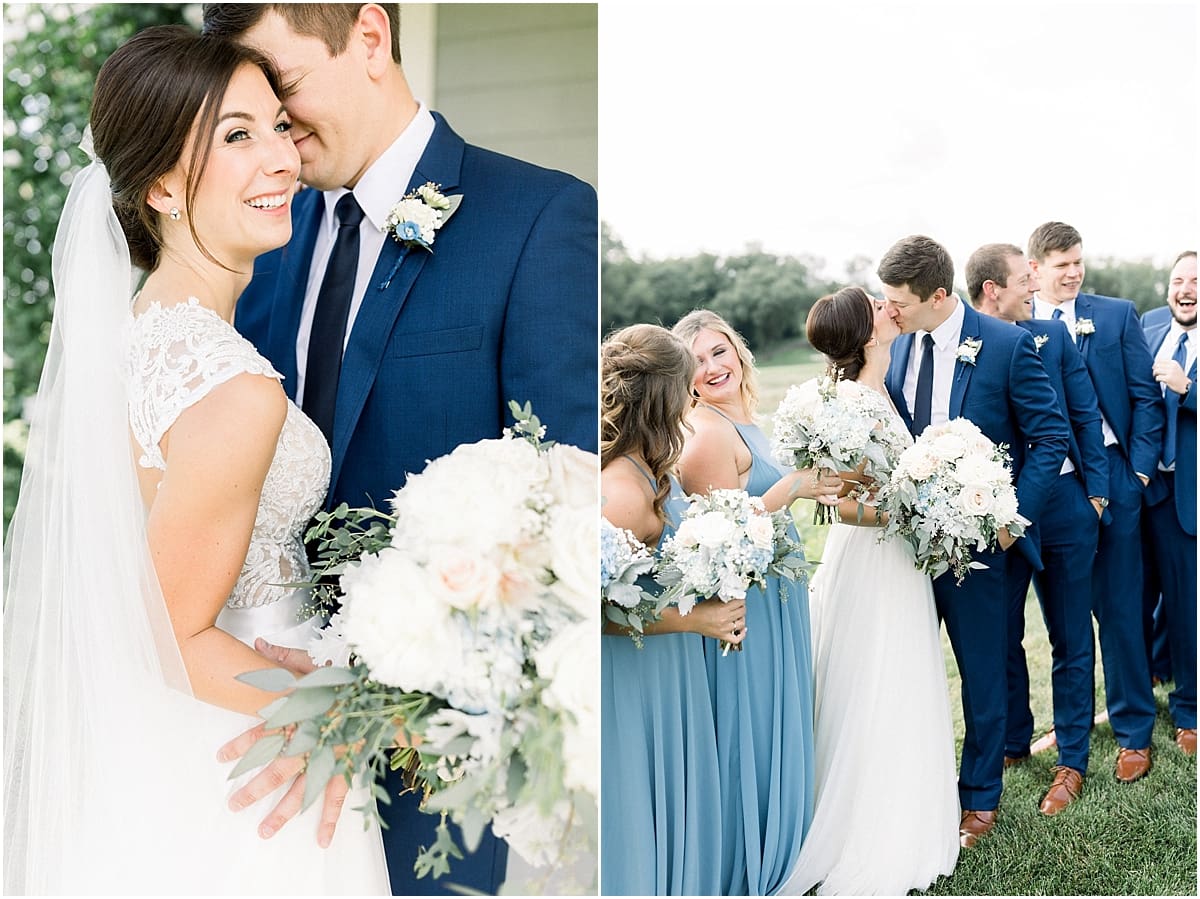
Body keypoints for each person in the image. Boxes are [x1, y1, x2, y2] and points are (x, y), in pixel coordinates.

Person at [199, 5, 597, 893]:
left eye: (283, 86)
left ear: (371, 38)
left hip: (432, 740)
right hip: (257, 719)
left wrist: (390, 699)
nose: (275, 130)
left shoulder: (538, 217)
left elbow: (564, 500)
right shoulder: (262, 235)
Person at [2, 25, 389, 894]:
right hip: (244, 763)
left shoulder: (137, 337)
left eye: (278, 126)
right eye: (237, 136)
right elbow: (166, 632)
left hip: (160, 746)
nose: (282, 157)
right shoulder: (232, 388)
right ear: (163, 186)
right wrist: (354, 711)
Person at [879, 235, 1069, 848]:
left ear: (938, 295)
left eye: (900, 301)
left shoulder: (1007, 346)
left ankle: (980, 797)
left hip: (982, 542)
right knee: (905, 666)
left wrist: (1012, 520)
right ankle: (913, 785)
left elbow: (1050, 437)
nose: (890, 310)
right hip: (904, 543)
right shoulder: (895, 343)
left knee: (983, 673)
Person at [777, 287, 959, 896]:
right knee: (877, 678)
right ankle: (872, 828)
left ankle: (904, 808)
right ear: (866, 333)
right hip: (875, 561)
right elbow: (845, 503)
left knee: (894, 678)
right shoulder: (854, 403)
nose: (890, 307)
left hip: (894, 560)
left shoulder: (877, 390)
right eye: (878, 306)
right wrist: (924, 515)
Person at [672, 309, 840, 896]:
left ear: (738, 352)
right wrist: (792, 487)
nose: (713, 367)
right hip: (749, 601)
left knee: (781, 715)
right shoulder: (708, 433)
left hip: (778, 590)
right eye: (697, 362)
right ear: (685, 378)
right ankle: (752, 861)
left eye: (719, 351)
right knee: (754, 725)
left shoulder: (741, 419)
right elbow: (717, 533)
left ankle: (788, 841)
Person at [967, 243, 1108, 815]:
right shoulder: (966, 347)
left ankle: (1072, 759)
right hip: (999, 514)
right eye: (1023, 280)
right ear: (992, 290)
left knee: (1071, 635)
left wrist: (1096, 495)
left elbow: (1084, 413)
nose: (1035, 288)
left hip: (1066, 508)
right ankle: (1013, 741)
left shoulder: (1052, 336)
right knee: (1001, 635)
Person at [599, 324, 739, 896]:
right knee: (644, 804)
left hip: (671, 664)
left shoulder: (650, 465)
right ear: (664, 398)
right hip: (637, 672)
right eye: (686, 385)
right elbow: (592, 613)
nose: (692, 395)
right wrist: (698, 619)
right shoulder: (620, 493)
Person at [1027, 221, 1164, 784]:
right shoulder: (1017, 325)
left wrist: (1137, 472)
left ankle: (1134, 731)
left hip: (1115, 471)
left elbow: (1145, 398)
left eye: (1078, 261)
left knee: (1122, 611)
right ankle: (1073, 727)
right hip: (1055, 485)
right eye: (1062, 264)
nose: (1074, 273)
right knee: (1065, 624)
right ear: (1034, 268)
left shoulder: (1115, 315)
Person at [1141, 250, 1197, 755]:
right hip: (1144, 490)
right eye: (1179, 280)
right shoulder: (1150, 325)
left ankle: (1189, 710)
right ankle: (1151, 673)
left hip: (1188, 495)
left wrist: (1189, 388)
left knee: (1185, 606)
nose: (1186, 289)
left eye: (1196, 281)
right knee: (1139, 597)